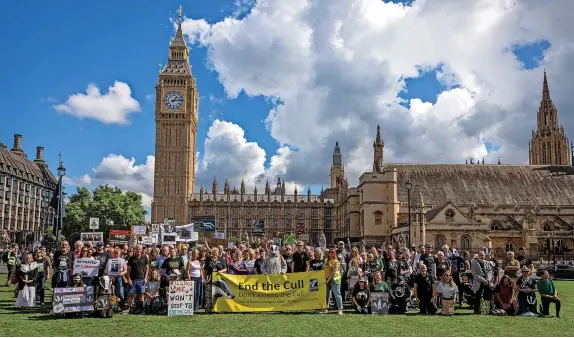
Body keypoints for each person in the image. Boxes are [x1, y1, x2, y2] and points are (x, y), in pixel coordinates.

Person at [126, 245, 150, 313]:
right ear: (135, 250)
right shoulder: (131, 258)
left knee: (141, 294)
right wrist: (129, 278)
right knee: (130, 294)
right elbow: (128, 270)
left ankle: (141, 308)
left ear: (141, 250)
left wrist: (145, 278)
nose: (138, 250)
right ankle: (129, 308)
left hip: (141, 279)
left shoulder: (145, 258)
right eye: (137, 249)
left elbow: (147, 268)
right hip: (132, 279)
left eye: (139, 249)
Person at [322, 248, 343, 315]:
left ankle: (340, 310)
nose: (331, 253)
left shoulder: (336, 261)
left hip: (334, 279)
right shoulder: (326, 260)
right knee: (326, 294)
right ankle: (325, 308)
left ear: (335, 253)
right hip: (326, 279)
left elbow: (334, 272)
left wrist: (327, 280)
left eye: (332, 252)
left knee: (337, 294)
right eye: (330, 252)